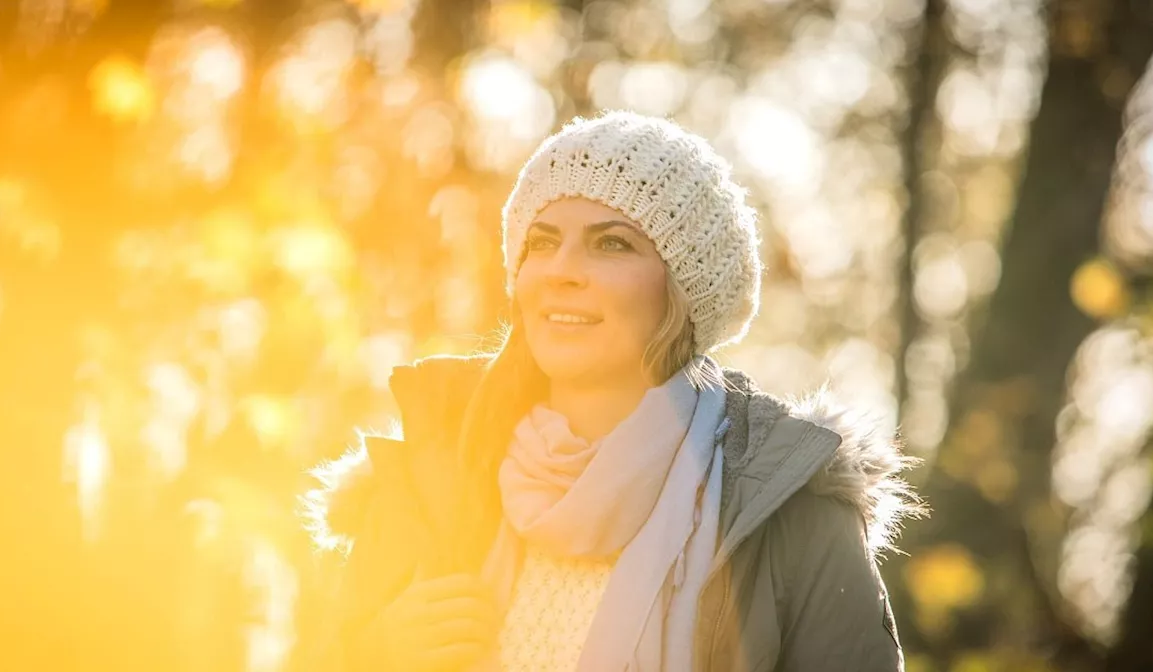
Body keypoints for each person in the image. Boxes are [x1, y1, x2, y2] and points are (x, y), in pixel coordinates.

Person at [303, 111, 922, 671]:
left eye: (612, 243)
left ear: (683, 289)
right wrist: (374, 651)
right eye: (542, 242)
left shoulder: (788, 511)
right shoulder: (427, 473)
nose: (562, 270)